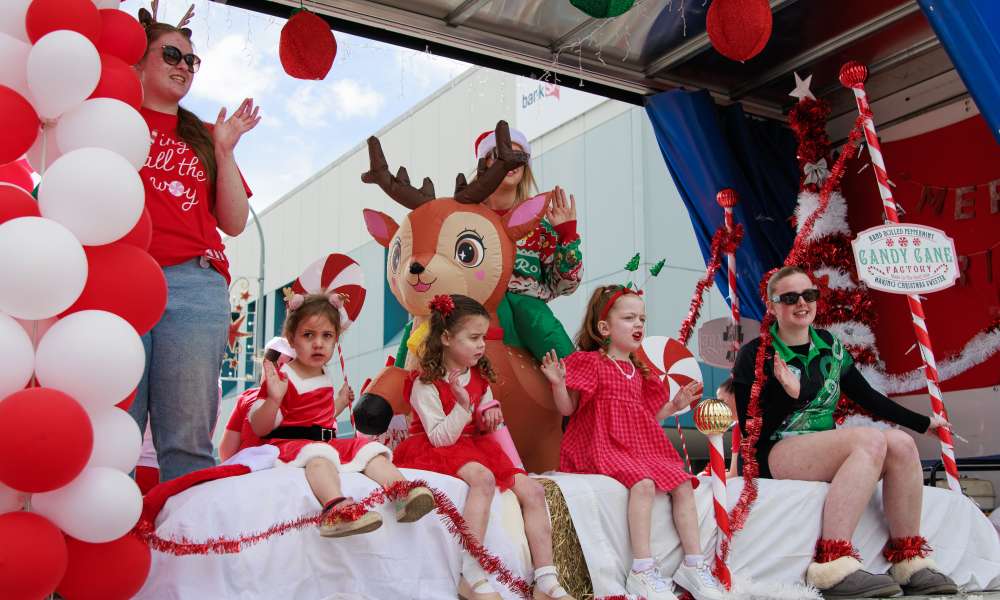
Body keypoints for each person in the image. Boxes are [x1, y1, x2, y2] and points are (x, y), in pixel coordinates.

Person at [732, 265, 958, 598]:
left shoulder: (830, 346)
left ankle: (909, 558)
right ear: (772, 305)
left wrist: (923, 424)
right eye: (790, 297)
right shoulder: (755, 354)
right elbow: (750, 426)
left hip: (822, 447)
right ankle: (833, 562)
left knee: (900, 443)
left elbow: (867, 398)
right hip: (778, 450)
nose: (802, 303)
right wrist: (788, 394)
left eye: (808, 294)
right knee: (867, 439)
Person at [129, 6, 259, 481]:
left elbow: (235, 221)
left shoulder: (203, 134)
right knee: (115, 432)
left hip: (194, 284)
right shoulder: (109, 121)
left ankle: (188, 546)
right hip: (119, 282)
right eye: (170, 54)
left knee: (188, 439)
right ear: (137, 62)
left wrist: (223, 151)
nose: (184, 65)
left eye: (191, 59)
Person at [542, 285, 724, 600]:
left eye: (641, 318)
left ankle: (694, 566)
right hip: (600, 445)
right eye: (629, 318)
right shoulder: (591, 362)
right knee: (642, 484)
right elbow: (569, 409)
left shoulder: (638, 372)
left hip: (637, 445)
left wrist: (675, 404)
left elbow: (647, 417)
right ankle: (642, 569)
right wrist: (558, 384)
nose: (638, 324)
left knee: (683, 482)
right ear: (604, 328)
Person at [393, 294, 573, 600]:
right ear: (447, 337)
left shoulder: (476, 375)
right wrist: (463, 409)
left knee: (534, 491)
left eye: (483, 338)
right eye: (474, 337)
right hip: (435, 448)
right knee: (483, 479)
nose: (481, 345)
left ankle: (546, 579)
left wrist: (489, 411)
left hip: (474, 445)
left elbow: (485, 404)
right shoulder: (425, 384)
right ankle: (471, 573)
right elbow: (439, 437)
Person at [250, 293, 435, 537]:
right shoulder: (282, 376)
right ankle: (336, 509)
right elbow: (259, 427)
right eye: (308, 335)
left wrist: (338, 402)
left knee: (368, 450)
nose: (318, 343)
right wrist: (273, 399)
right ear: (291, 340)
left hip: (325, 441)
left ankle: (402, 492)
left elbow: (321, 417)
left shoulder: (322, 377)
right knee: (319, 458)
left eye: (327, 336)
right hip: (293, 445)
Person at [218, 337, 295, 462]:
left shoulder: (247, 398)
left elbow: (226, 453)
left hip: (249, 473)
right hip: (286, 472)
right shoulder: (307, 400)